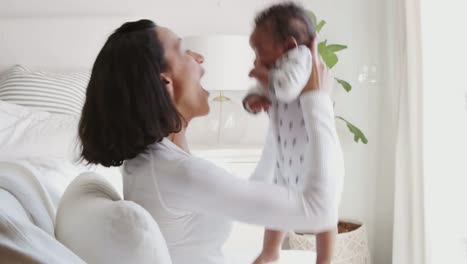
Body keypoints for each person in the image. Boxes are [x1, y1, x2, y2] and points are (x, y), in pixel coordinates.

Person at [78, 19, 343, 264]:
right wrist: (318, 103)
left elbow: (255, 189)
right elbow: (319, 210)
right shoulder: (179, 173)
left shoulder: (148, 162)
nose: (199, 56)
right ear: (165, 81)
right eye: (183, 51)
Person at [242, 3, 343, 264]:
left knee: (326, 212)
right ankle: (270, 250)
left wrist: (265, 77)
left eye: (259, 49)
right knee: (278, 205)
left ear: (288, 46)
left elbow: (285, 88)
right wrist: (254, 98)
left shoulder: (302, 59)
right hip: (288, 156)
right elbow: (268, 90)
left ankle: (324, 260)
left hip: (316, 157)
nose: (256, 57)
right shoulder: (278, 68)